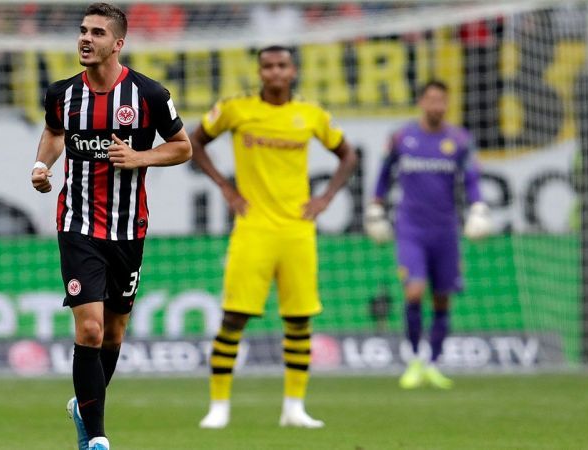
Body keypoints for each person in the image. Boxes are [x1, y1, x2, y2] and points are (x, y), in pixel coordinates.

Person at [30, 4, 191, 450]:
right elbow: (54, 133)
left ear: (117, 44)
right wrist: (42, 166)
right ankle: (96, 438)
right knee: (91, 330)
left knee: (115, 333)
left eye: (97, 32)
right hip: (77, 223)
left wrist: (141, 157)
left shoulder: (149, 95)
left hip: (128, 229)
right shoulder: (62, 93)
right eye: (83, 30)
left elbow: (182, 147)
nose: (86, 38)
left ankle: (83, 406)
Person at [191, 45, 358, 429]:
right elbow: (194, 141)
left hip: (298, 231)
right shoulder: (236, 109)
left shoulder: (311, 115)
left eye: (282, 65)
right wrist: (226, 188)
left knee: (299, 321)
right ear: (260, 72)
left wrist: (326, 197)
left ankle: (294, 407)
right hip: (253, 228)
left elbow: (348, 155)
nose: (275, 72)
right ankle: (218, 407)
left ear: (293, 71)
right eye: (268, 66)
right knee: (233, 316)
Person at [364, 80, 491, 390]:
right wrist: (375, 207)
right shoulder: (402, 137)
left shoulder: (459, 140)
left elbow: (471, 178)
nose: (436, 106)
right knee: (414, 291)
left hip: (445, 230)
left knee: (442, 299)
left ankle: (432, 363)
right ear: (421, 102)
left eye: (442, 101)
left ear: (447, 104)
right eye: (431, 99)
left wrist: (477, 207)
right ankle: (414, 360)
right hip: (411, 229)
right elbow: (384, 175)